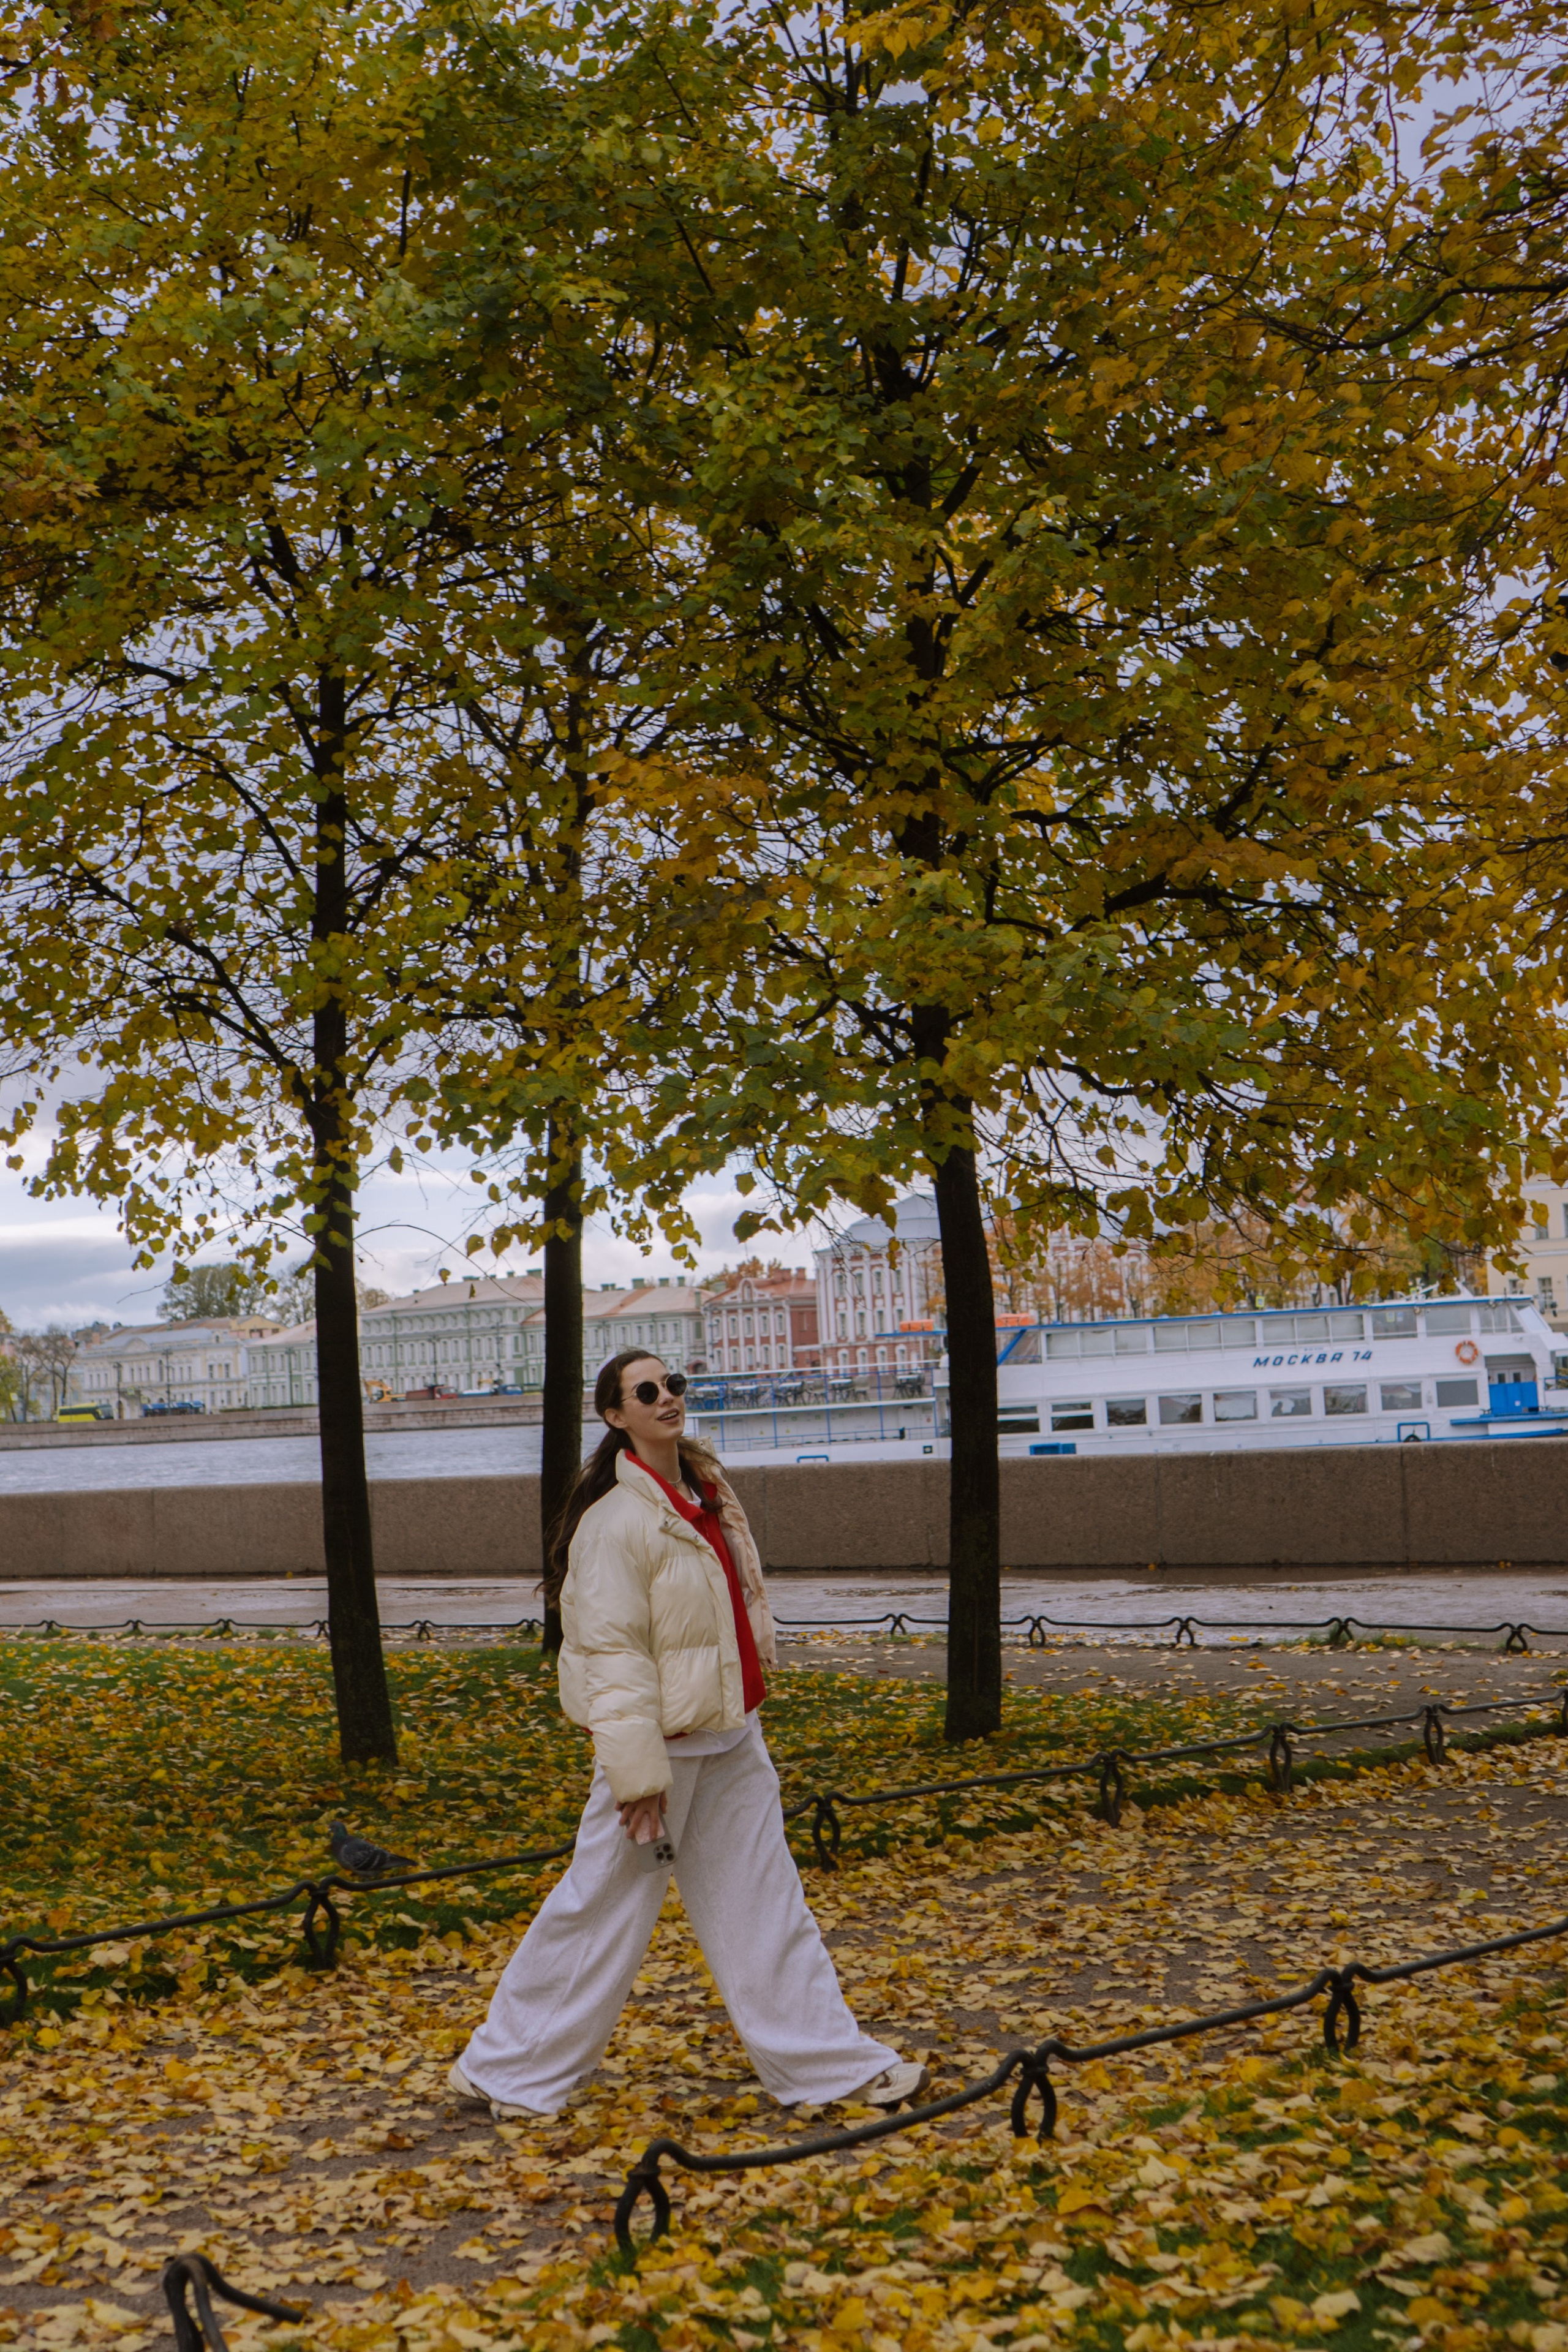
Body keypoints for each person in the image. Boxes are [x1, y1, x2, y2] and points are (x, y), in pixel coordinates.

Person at [448, 1348, 928, 2122]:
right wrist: (638, 1780)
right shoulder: (615, 1522)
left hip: (732, 1729)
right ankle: (507, 2069)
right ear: (615, 1415)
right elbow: (611, 1657)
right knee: (602, 1907)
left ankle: (827, 2069)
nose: (667, 1397)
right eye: (647, 1391)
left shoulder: (703, 1490)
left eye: (674, 1384)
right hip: (665, 1747)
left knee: (766, 1903)